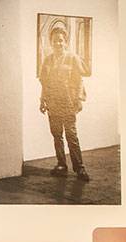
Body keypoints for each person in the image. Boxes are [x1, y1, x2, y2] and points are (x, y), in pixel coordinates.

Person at [38, 26, 89, 181]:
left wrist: (79, 100)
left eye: (61, 40)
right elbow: (44, 83)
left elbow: (79, 81)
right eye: (55, 41)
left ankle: (79, 168)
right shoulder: (47, 60)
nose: (58, 43)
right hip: (53, 104)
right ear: (51, 42)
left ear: (65, 42)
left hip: (68, 103)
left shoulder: (73, 58)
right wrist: (42, 100)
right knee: (57, 135)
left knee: (71, 135)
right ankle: (61, 165)